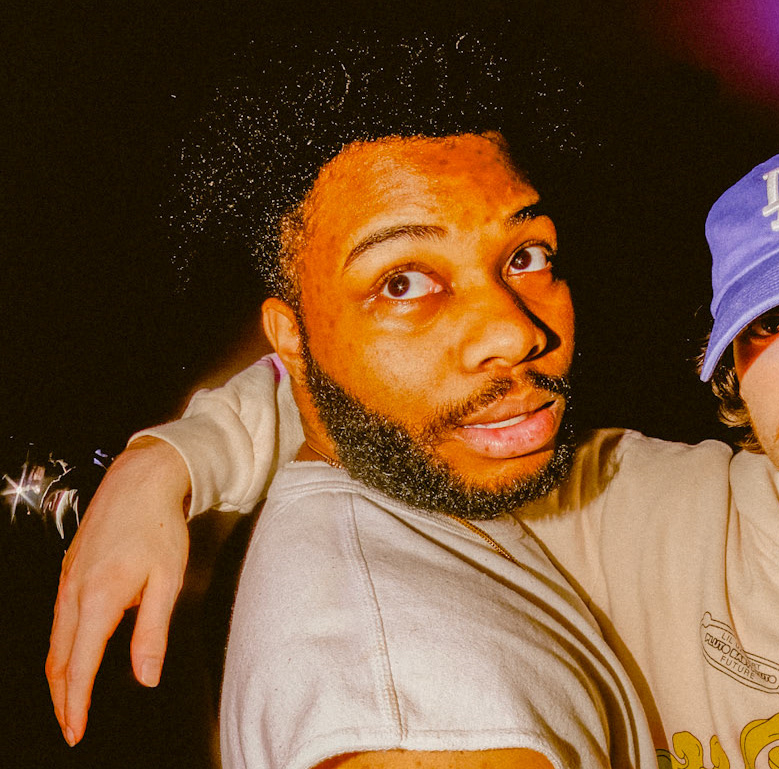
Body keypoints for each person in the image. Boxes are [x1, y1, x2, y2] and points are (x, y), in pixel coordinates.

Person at [50, 142, 779, 767]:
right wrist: (170, 461)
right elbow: (401, 401)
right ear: (731, 372)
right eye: (777, 325)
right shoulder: (629, 497)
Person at [48, 34, 654, 769]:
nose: (515, 331)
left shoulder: (415, 471)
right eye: (403, 283)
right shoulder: (406, 716)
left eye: (524, 257)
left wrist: (169, 457)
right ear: (292, 338)